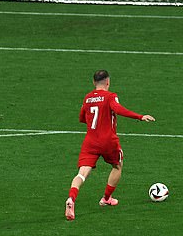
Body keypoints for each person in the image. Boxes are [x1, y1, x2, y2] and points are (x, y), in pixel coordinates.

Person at [64, 70, 155, 221]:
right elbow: (118, 109)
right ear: (108, 82)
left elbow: (82, 118)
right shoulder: (110, 96)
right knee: (117, 166)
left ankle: (71, 199)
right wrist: (139, 116)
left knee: (81, 173)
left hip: (90, 141)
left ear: (94, 83)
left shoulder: (87, 98)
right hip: (108, 140)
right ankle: (106, 198)